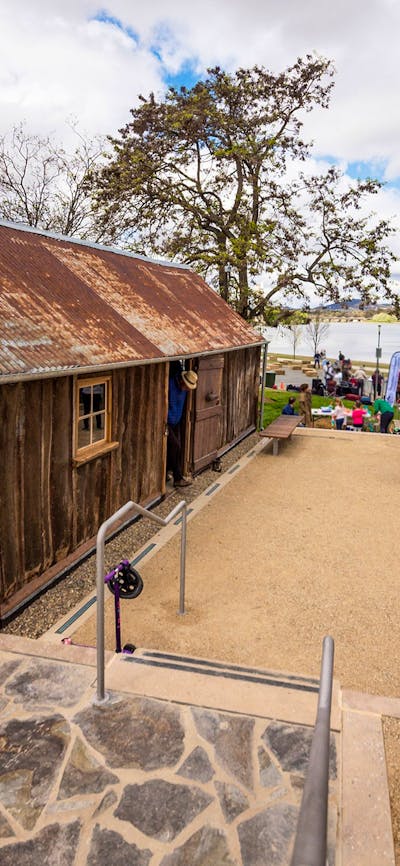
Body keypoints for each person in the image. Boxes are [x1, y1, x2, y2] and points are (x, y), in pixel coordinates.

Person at [167, 366, 198, 487]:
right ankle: (177, 478)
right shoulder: (170, 385)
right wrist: (167, 417)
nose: (187, 389)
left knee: (176, 448)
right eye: (186, 386)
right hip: (167, 422)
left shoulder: (184, 389)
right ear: (181, 381)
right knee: (176, 446)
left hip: (176, 421)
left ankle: (169, 473)